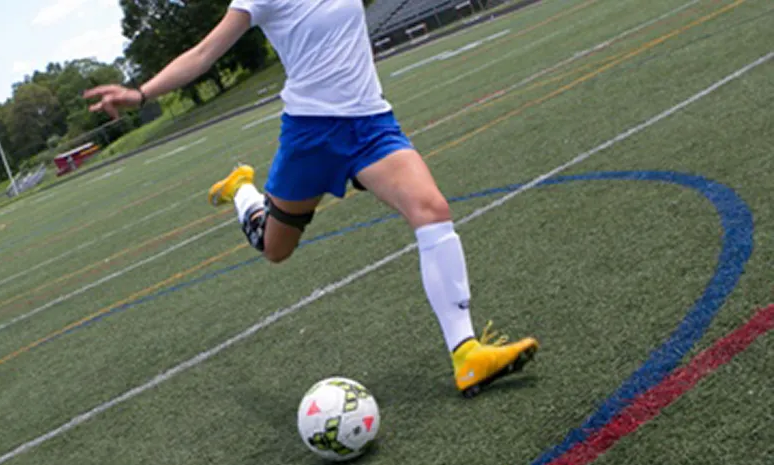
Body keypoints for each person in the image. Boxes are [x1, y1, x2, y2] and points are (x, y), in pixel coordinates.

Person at [83, 0, 538, 397]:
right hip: (311, 135)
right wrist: (141, 93)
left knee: (432, 210)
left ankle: (466, 354)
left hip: (371, 126)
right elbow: (204, 53)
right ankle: (242, 189)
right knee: (274, 248)